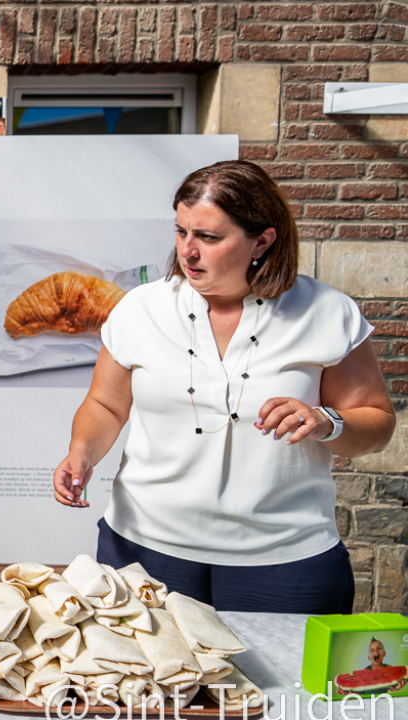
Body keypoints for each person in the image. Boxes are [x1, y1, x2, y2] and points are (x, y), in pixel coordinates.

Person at [52, 160, 396, 614]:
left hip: (286, 559)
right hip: (143, 549)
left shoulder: (327, 311)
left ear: (262, 240)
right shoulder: (140, 309)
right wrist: (82, 451)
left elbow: (377, 423)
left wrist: (325, 421)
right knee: (147, 687)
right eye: (181, 232)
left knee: (282, 686)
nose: (187, 251)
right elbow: (106, 405)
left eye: (209, 238)